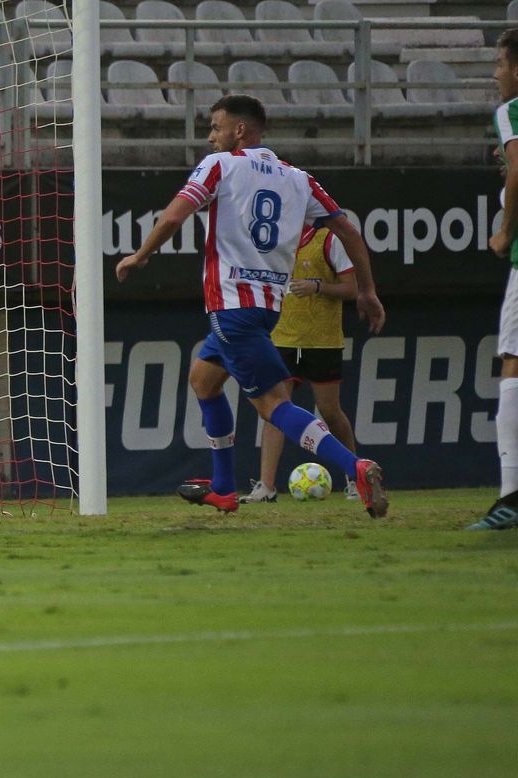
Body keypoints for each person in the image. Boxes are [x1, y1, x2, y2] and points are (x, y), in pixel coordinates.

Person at [114, 95, 390, 518]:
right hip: (267, 307)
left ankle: (355, 466)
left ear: (238, 130)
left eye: (215, 126)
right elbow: (351, 234)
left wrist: (141, 254)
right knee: (204, 380)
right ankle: (223, 488)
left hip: (231, 306)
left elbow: (173, 216)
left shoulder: (220, 165)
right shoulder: (299, 179)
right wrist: (367, 291)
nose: (210, 136)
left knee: (274, 406)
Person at [239, 222, 362, 503]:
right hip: (281, 338)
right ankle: (266, 486)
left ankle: (355, 477)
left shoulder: (328, 240)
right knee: (274, 409)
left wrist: (317, 286)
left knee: (330, 411)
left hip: (322, 340)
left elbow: (352, 288)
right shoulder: (272, 240)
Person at [469, 28, 518, 530]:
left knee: (514, 366)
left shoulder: (511, 111)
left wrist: (505, 231)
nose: (496, 74)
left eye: (501, 64)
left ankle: (511, 496)